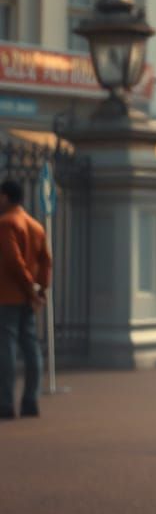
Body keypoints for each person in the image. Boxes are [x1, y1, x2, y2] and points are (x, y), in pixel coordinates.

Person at [0, 178, 52, 420]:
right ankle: (31, 400)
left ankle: (5, 402)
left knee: (7, 348)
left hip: (7, 294)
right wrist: (40, 289)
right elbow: (45, 262)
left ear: (5, 197)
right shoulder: (36, 225)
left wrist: (30, 288)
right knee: (30, 347)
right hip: (27, 296)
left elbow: (13, 261)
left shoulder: (6, 223)